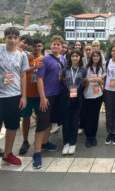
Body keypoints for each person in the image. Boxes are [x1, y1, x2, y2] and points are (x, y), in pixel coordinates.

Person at [32, 35, 66, 169]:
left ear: (61, 46)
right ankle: (37, 152)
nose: (56, 46)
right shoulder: (45, 60)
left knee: (50, 121)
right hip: (47, 95)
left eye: (58, 44)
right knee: (42, 123)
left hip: (58, 95)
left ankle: (45, 142)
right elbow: (39, 79)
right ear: (50, 46)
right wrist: (42, 97)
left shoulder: (63, 58)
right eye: (54, 44)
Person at [0, 27, 29, 166]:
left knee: (12, 126)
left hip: (14, 95)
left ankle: (7, 153)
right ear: (4, 38)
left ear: (18, 39)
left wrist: (24, 96)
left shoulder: (21, 55)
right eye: (9, 37)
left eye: (15, 37)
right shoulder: (0, 50)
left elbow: (23, 75)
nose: (12, 40)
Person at [19, 38, 44, 155]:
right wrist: (34, 67)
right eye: (35, 46)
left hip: (38, 93)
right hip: (27, 93)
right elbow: (22, 72)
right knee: (26, 117)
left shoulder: (44, 59)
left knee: (39, 117)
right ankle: (25, 140)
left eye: (39, 46)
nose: (37, 48)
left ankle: (37, 140)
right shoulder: (25, 57)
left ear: (42, 47)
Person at [61, 50, 86, 155]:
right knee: (66, 121)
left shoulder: (83, 70)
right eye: (73, 56)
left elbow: (84, 83)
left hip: (78, 97)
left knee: (75, 121)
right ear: (70, 58)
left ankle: (73, 142)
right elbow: (63, 81)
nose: (75, 58)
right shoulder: (65, 70)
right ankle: (66, 142)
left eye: (77, 56)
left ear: (80, 58)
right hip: (67, 97)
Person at [84, 50, 106, 147]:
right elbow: (83, 82)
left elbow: (104, 82)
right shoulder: (87, 68)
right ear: (91, 58)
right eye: (94, 56)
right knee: (88, 116)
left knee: (95, 116)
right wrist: (91, 79)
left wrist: (100, 80)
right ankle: (88, 136)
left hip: (98, 95)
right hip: (88, 95)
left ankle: (93, 136)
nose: (95, 58)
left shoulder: (102, 68)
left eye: (97, 56)